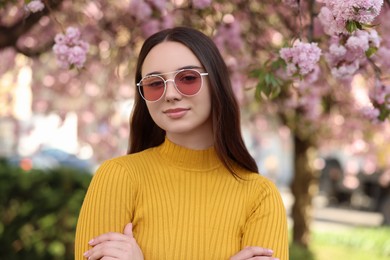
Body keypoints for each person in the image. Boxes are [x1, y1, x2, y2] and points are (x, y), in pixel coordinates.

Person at [75, 26, 289, 260]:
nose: (170, 94)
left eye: (188, 79)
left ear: (216, 84)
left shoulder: (260, 197)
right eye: (155, 84)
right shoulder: (118, 178)